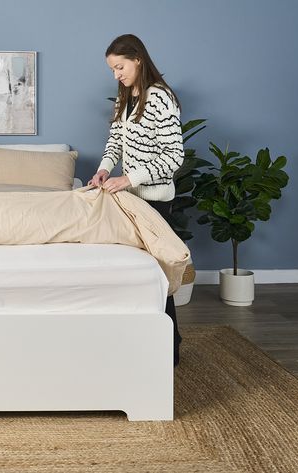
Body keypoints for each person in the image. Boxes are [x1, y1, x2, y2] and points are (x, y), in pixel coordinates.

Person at [88, 33, 184, 365]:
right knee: (139, 273)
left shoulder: (160, 98)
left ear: (137, 59)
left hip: (156, 200)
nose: (117, 74)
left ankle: (169, 347)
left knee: (157, 274)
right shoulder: (126, 97)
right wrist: (103, 169)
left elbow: (174, 157)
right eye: (113, 69)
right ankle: (150, 340)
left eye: (120, 67)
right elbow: (115, 140)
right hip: (132, 201)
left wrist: (130, 178)